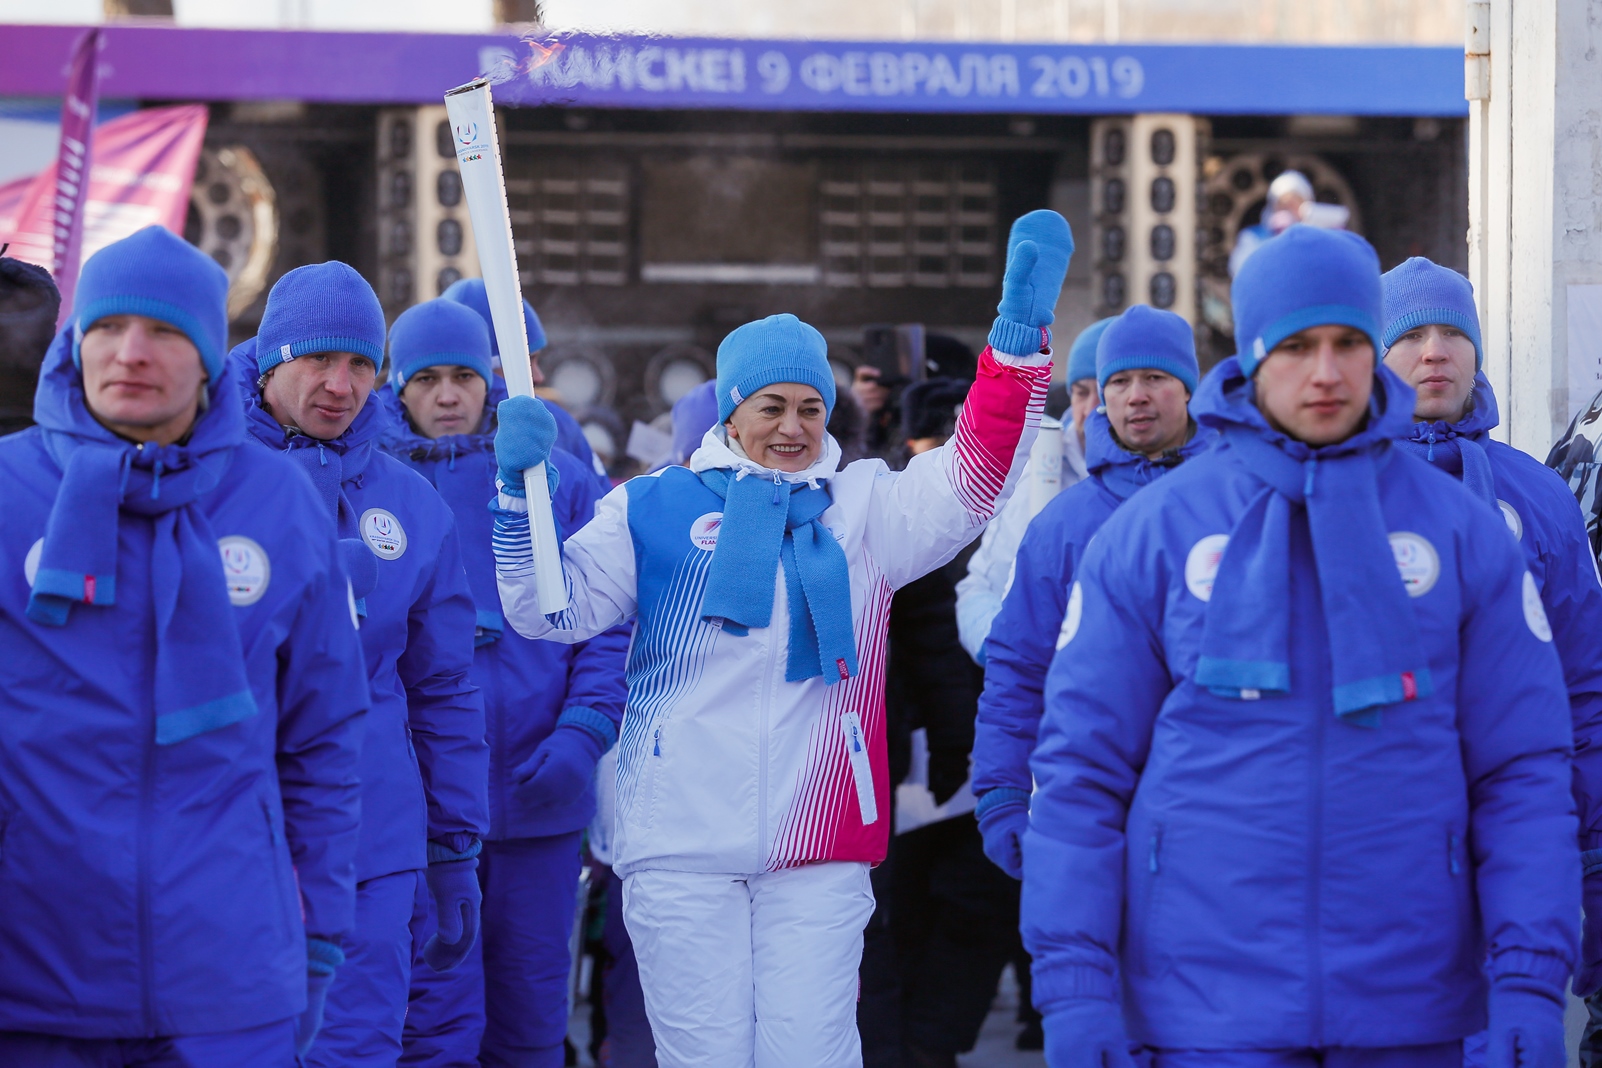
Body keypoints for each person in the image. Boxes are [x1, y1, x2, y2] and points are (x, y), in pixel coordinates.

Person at [491, 209, 1073, 1067]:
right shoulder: (654, 505)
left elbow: (973, 481)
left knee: (815, 1054)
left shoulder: (864, 508)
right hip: (679, 844)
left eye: (810, 407)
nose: (794, 427)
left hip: (822, 840)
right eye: (772, 406)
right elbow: (550, 611)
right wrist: (519, 494)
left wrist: (1015, 351)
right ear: (732, 410)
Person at [1025, 225, 1578, 1067]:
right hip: (1205, 1007)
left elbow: (1521, 772)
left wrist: (1530, 979)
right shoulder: (1155, 535)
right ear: (1251, 355)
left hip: (1411, 1003)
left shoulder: (1465, 535)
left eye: (1348, 343)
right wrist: (1075, 985)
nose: (1326, 372)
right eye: (1297, 346)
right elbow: (1082, 774)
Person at [0, 226, 370, 1064]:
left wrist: (321, 936)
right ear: (75, 345)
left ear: (208, 356)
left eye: (164, 330)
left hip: (229, 985)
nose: (132, 352)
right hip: (32, 985)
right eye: (107, 327)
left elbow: (323, 741)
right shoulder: (7, 493)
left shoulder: (278, 501)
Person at [237, 263, 490, 1067]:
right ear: (272, 361)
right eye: (317, 360)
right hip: (227, 834)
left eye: (360, 364)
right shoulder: (206, 481)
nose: (340, 385)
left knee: (354, 1051)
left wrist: (453, 848)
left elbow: (443, 689)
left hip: (371, 843)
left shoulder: (411, 505)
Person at [378, 298, 628, 1068]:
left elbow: (610, 621)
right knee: (430, 1012)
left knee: (529, 1006)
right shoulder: (369, 483)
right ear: (397, 385)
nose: (447, 396)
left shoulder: (557, 479)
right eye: (427, 380)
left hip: (536, 793)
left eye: (464, 375)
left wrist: (584, 730)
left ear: (492, 378)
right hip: (415, 804)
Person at [1378, 256, 1602, 1061]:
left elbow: (1586, 688)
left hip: (1508, 844)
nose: (1434, 351)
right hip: (1374, 857)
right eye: (1410, 335)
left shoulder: (1537, 497)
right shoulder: (1334, 488)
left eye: (1451, 333)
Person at [972, 303, 1212, 887]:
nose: (1136, 396)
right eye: (1120, 382)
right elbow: (1018, 666)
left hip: (1217, 807)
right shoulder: (1061, 526)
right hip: (1092, 801)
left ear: (1188, 389)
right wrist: (1002, 790)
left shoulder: (1235, 503)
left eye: (1155, 378)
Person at [955, 317, 1108, 663]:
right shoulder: (1038, 464)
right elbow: (978, 587)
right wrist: (1003, 650)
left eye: (1104, 391)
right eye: (1081, 392)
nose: (1090, 410)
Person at [442, 277, 610, 495]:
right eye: (525, 361)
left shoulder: (556, 424)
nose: (538, 377)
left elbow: (598, 511)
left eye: (537, 360)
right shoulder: (401, 441)